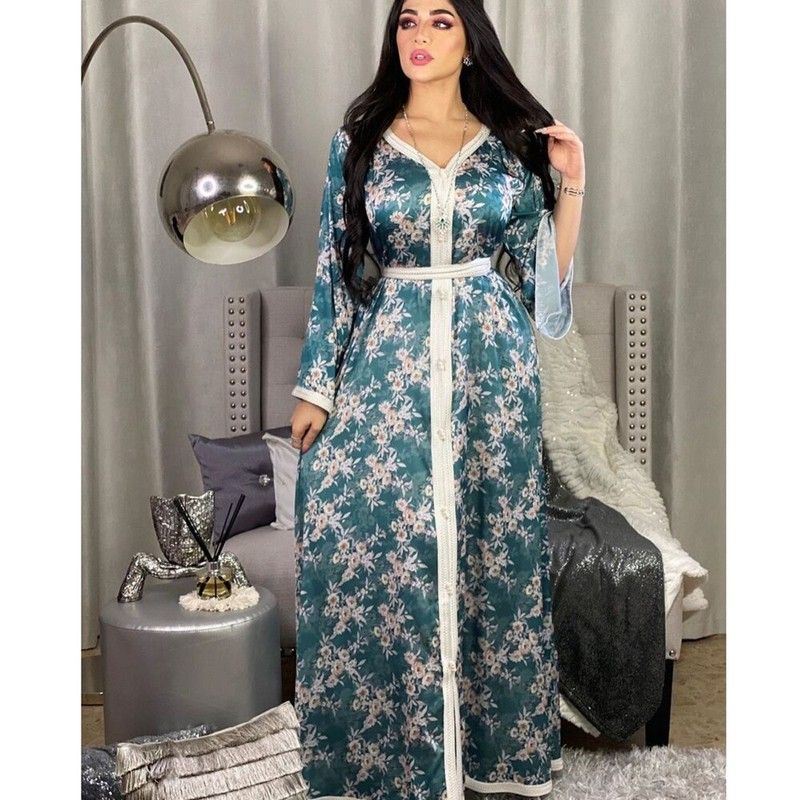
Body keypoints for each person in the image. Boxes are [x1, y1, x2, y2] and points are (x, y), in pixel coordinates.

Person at [289, 1, 585, 797]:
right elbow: (335, 270)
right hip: (389, 365)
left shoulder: (509, 151)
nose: (419, 37)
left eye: (441, 22)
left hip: (494, 370)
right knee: (373, 537)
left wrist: (572, 184)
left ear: (471, 42)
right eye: (408, 21)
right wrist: (317, 386)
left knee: (493, 549)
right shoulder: (359, 144)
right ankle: (387, 756)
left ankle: (489, 758)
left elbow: (546, 298)